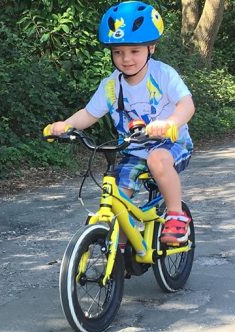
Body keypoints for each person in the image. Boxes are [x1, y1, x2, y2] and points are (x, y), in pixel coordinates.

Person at [44, 1, 195, 246]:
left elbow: (186, 105)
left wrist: (170, 123)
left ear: (151, 48)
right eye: (118, 52)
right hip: (134, 149)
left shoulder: (163, 75)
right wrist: (66, 125)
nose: (126, 59)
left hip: (172, 143)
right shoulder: (111, 85)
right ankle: (120, 253)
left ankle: (176, 216)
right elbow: (89, 113)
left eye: (134, 51)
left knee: (157, 159)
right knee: (117, 197)